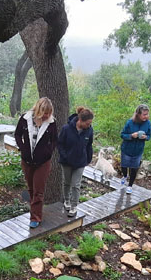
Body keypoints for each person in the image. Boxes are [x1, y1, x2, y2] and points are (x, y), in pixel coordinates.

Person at [15, 97, 58, 228]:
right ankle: (35, 210)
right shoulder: (25, 119)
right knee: (31, 189)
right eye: (45, 113)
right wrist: (23, 149)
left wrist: (48, 152)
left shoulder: (51, 123)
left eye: (49, 113)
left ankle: (35, 217)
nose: (47, 115)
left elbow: (55, 140)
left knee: (39, 191)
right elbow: (17, 134)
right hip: (27, 160)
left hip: (43, 163)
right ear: (39, 110)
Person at [57, 106, 94, 217]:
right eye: (87, 123)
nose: (89, 125)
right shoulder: (66, 129)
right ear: (80, 120)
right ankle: (66, 201)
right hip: (66, 161)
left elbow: (89, 145)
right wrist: (65, 156)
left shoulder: (89, 130)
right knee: (67, 182)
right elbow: (60, 144)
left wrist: (88, 159)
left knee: (76, 185)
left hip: (80, 162)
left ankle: (74, 206)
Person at [120, 104, 151, 194]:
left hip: (138, 150)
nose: (146, 116)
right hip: (127, 149)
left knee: (134, 168)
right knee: (124, 166)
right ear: (138, 114)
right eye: (144, 114)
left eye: (147, 114)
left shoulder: (148, 123)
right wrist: (131, 136)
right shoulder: (130, 122)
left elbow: (149, 136)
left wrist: (145, 137)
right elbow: (122, 134)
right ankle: (125, 176)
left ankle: (130, 185)